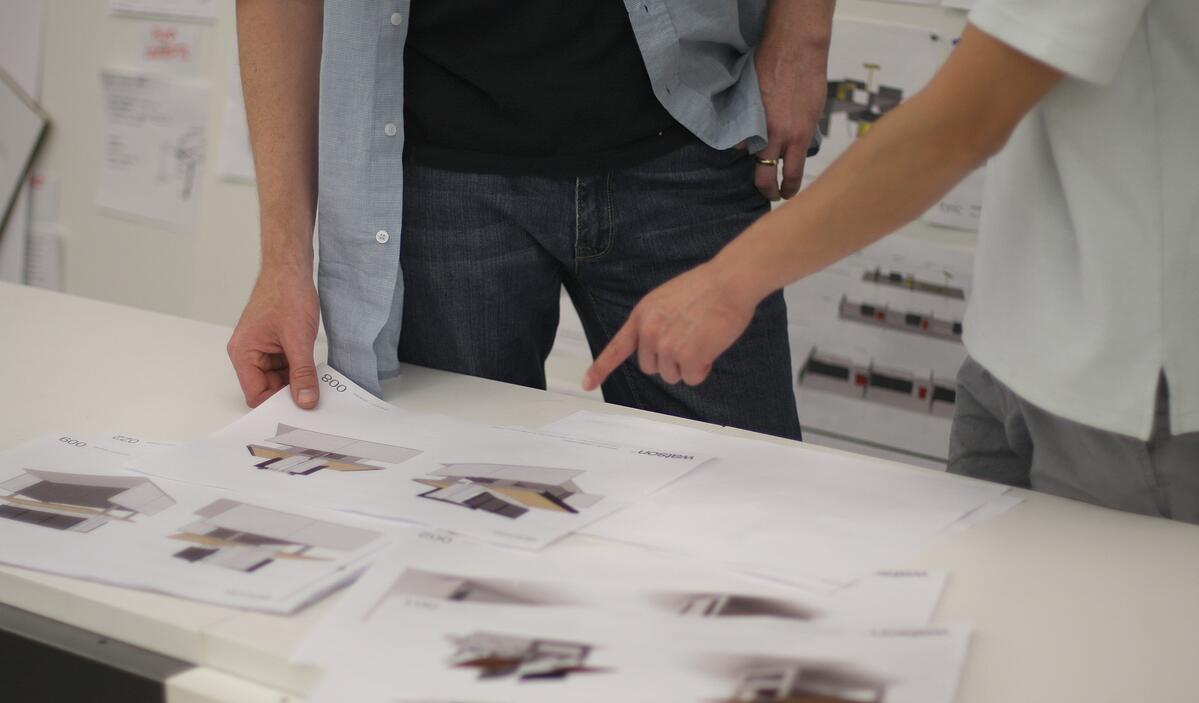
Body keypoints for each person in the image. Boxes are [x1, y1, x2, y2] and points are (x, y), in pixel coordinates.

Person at [584, 0, 1199, 522]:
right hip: (1016, 342)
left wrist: (727, 282)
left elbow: (962, 122)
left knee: (1100, 621)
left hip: (1128, 376)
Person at [226, 0, 835, 441]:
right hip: (441, 175)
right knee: (454, 506)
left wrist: (802, 36)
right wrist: (283, 262)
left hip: (687, 133)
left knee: (742, 496)